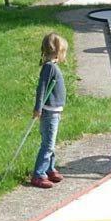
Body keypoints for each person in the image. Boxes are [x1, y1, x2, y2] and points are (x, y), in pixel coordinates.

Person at [31, 33, 68, 189]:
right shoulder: (49, 67)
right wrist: (38, 108)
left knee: (51, 143)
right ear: (58, 51)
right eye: (64, 52)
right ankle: (38, 174)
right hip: (49, 112)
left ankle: (50, 168)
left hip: (54, 111)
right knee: (48, 145)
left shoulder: (52, 66)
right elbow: (42, 89)